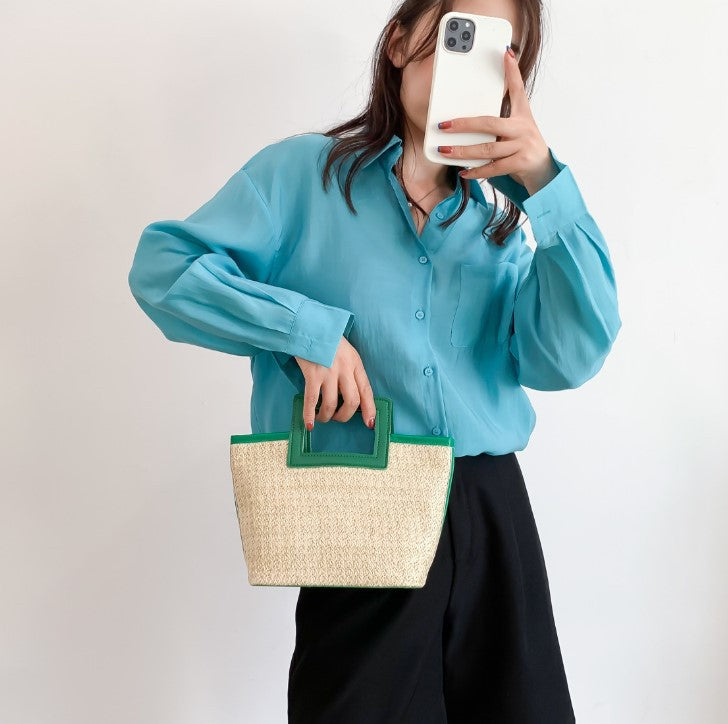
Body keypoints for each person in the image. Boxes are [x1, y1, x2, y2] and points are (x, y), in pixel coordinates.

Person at [128, 1, 621, 721]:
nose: (469, 62)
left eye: (498, 48)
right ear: (398, 41)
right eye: (456, 33)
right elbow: (163, 268)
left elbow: (570, 357)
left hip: (491, 513)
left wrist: (546, 186)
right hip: (361, 507)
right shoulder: (302, 176)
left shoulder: (499, 223)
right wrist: (305, 331)